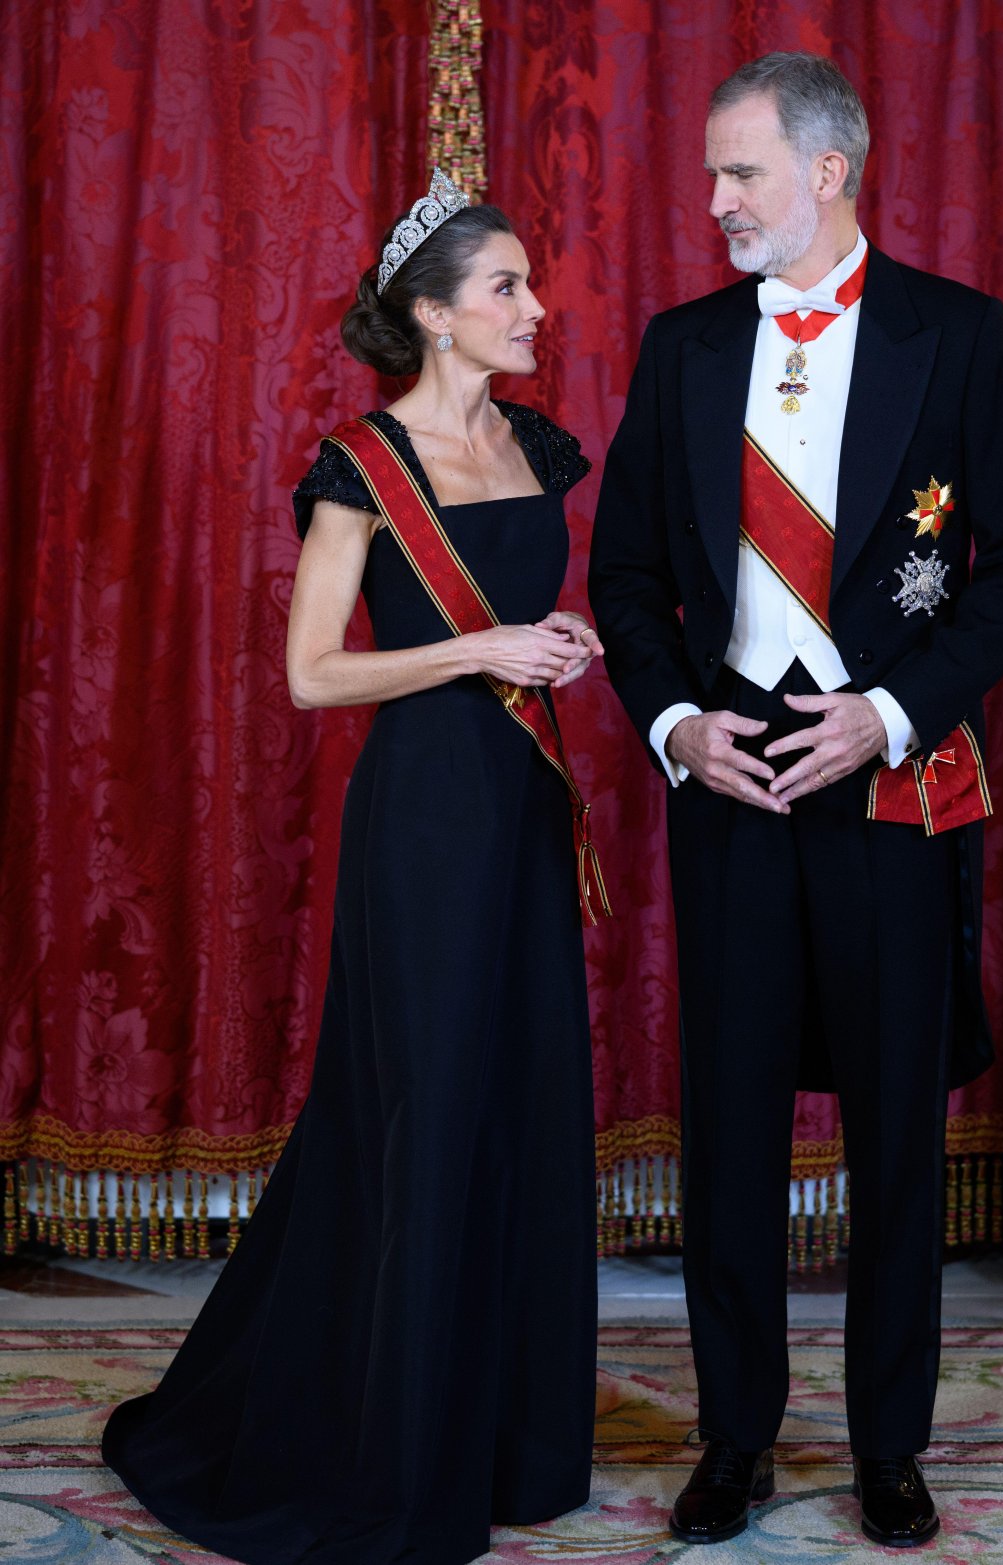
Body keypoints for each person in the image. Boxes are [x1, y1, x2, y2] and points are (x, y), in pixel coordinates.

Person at [589, 52, 1003, 1549]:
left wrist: (893, 711)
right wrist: (674, 723)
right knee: (729, 1128)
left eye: (742, 172)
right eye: (716, 173)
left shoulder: (960, 336)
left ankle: (888, 1447)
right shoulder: (679, 347)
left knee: (892, 1141)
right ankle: (734, 1436)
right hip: (730, 777)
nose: (717, 198)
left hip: (892, 781)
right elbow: (626, 578)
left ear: (830, 170)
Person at [103, 171, 604, 1565]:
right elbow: (313, 674)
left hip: (523, 802)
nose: (533, 306)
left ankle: (512, 1435)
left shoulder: (540, 448)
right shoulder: (360, 468)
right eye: (504, 286)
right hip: (428, 822)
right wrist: (482, 649)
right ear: (436, 315)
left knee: (519, 1095)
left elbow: (518, 615)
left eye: (526, 280)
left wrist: (555, 641)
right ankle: (395, 1447)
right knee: (426, 1110)